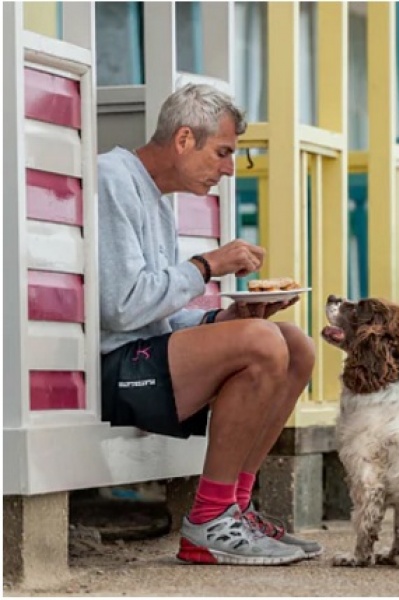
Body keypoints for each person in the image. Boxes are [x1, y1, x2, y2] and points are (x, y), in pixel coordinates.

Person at [98, 83, 320, 566]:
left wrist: (223, 318)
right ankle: (209, 521)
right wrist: (205, 265)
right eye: (222, 152)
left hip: (150, 359)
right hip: (114, 370)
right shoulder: (111, 178)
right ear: (183, 140)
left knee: (295, 344)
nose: (229, 168)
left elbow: (160, 312)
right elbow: (120, 307)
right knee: (262, 344)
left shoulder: (155, 197)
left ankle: (234, 508)